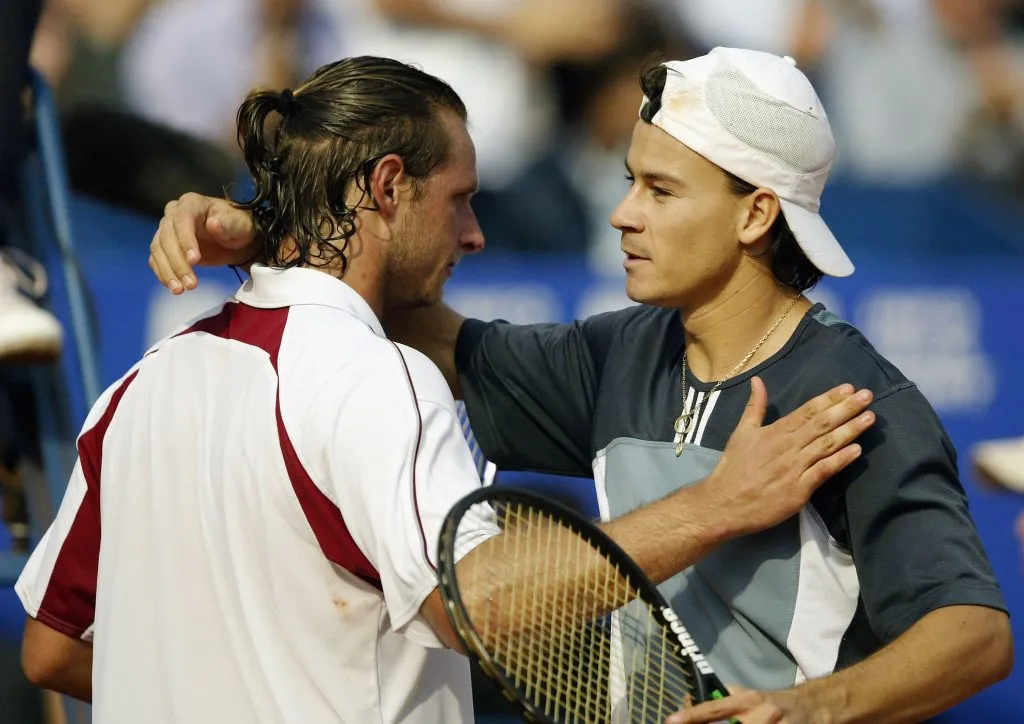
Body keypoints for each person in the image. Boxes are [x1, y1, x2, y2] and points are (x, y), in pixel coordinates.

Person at [149, 48, 1013, 723]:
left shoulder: (856, 401)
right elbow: (402, 306)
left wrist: (808, 709)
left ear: (755, 214)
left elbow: (974, 634)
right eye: (629, 178)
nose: (622, 212)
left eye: (660, 189)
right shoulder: (618, 354)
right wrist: (267, 236)